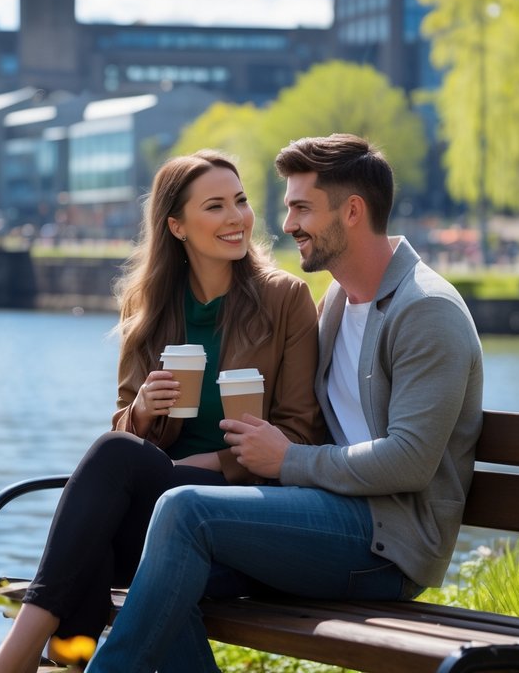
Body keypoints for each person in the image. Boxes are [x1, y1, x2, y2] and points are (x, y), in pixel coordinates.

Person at [86, 134, 484, 673]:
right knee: (146, 557)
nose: (287, 223)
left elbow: (411, 461)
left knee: (183, 510)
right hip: (319, 517)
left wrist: (288, 460)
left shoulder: (425, 309)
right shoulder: (339, 302)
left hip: (387, 545)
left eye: (301, 207)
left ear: (351, 211)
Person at [0, 150, 322, 672]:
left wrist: (187, 468)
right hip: (151, 516)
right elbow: (124, 428)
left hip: (239, 516)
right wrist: (140, 413)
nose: (237, 218)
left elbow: (298, 433)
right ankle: (58, 659)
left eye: (241, 201)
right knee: (98, 512)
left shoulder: (285, 299)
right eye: (215, 206)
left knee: (110, 474)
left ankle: (21, 661)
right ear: (177, 226)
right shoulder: (150, 306)